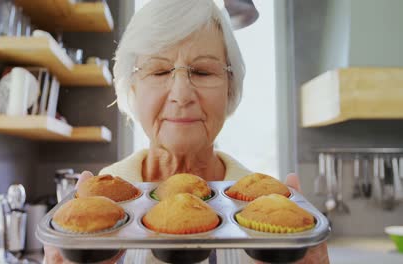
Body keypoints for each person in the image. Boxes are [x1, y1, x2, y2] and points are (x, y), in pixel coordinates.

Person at [44, 0, 329, 263]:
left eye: (203, 72)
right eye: (158, 71)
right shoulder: (97, 207)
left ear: (230, 88)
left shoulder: (268, 214)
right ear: (132, 87)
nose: (181, 95)